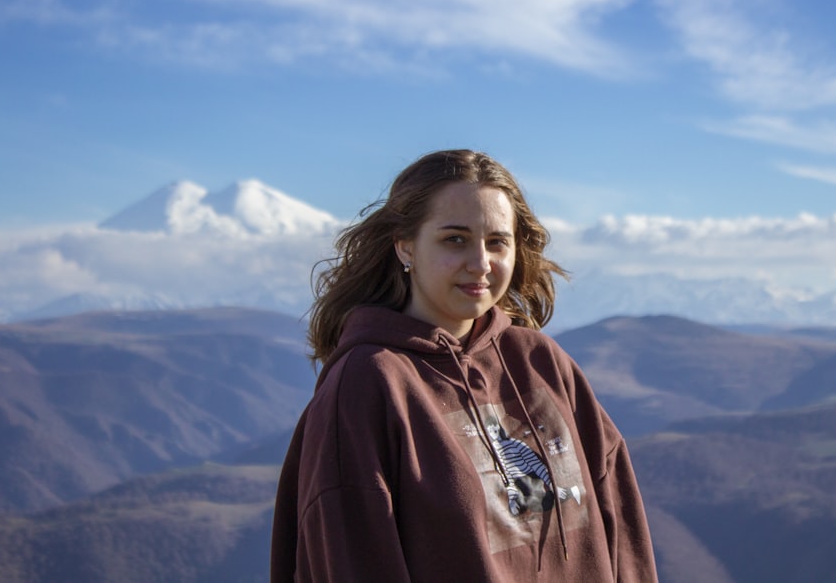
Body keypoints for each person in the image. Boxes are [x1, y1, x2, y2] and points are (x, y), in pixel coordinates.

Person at [270, 149, 658, 582]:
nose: (480, 264)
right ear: (405, 246)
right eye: (454, 239)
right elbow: (348, 555)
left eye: (497, 242)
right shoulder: (368, 382)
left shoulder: (542, 362)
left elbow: (620, 525)